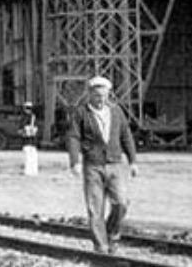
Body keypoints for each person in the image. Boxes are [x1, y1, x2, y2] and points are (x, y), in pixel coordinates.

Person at [65, 74, 138, 254]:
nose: (101, 99)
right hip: (93, 165)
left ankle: (112, 235)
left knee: (121, 203)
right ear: (90, 94)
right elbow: (73, 137)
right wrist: (75, 161)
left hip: (115, 164)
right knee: (95, 208)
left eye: (105, 96)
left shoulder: (116, 111)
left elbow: (126, 135)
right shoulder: (81, 113)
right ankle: (101, 246)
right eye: (97, 96)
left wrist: (133, 160)